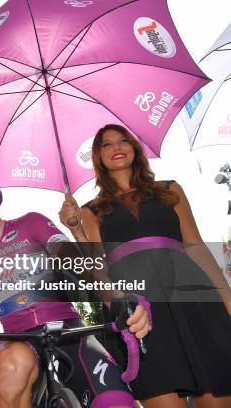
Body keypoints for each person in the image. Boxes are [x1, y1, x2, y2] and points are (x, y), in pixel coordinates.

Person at [0, 168, 151, 408]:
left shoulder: (31, 222)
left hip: (69, 328)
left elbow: (74, 261)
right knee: (13, 363)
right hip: (15, 339)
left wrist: (121, 297)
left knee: (117, 402)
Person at [59, 124, 231, 408]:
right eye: (107, 144)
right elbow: (100, 274)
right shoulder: (91, 211)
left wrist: (227, 300)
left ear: (134, 148)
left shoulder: (170, 190)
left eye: (123, 140)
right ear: (98, 157)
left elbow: (197, 247)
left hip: (195, 303)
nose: (116, 147)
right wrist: (77, 231)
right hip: (142, 316)